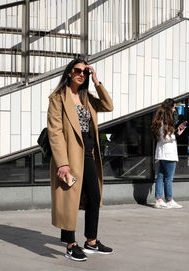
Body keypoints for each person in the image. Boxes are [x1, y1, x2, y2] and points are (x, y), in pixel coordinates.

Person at [47, 58, 114, 261]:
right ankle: (70, 245)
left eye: (85, 71)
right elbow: (55, 131)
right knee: (69, 199)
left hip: (88, 153)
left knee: (94, 196)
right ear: (69, 72)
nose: (81, 74)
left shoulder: (87, 97)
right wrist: (62, 163)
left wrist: (97, 82)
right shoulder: (58, 97)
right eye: (77, 70)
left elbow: (108, 106)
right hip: (69, 155)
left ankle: (91, 241)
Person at [151, 98, 186, 209]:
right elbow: (167, 138)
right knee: (168, 178)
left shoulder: (159, 121)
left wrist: (176, 132)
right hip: (169, 153)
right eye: (174, 107)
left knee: (161, 176)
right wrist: (177, 132)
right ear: (169, 108)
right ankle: (169, 200)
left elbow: (163, 137)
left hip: (162, 153)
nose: (175, 109)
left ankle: (159, 199)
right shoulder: (165, 123)